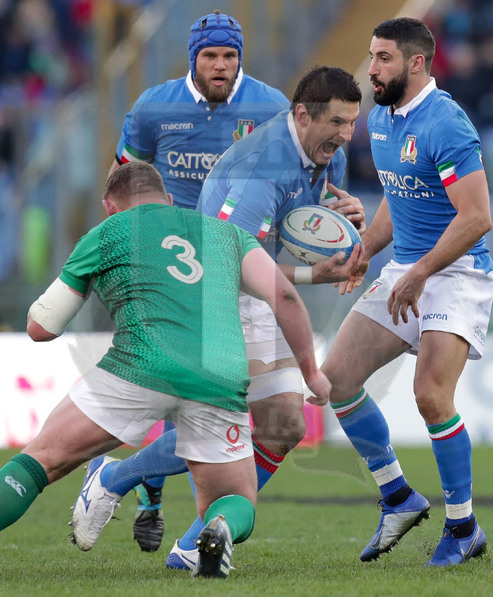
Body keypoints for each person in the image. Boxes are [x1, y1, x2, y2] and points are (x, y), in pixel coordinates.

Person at [0, 161, 331, 581]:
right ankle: (219, 528)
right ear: (168, 200)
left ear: (111, 208)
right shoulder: (226, 234)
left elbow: (42, 328)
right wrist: (311, 373)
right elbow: (286, 299)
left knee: (41, 460)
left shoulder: (107, 233)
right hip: (218, 376)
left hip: (139, 367)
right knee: (236, 497)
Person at [75, 65, 367, 570]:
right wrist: (309, 279)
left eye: (351, 123)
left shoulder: (324, 154)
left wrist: (342, 224)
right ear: (301, 115)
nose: (346, 136)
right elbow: (226, 263)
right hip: (216, 294)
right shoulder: (256, 170)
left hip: (258, 289)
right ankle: (128, 492)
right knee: (224, 425)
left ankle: (180, 530)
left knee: (283, 425)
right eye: (337, 123)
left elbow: (305, 217)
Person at [105, 10, 291, 552]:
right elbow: (124, 184)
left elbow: (304, 179)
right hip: (171, 268)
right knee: (178, 394)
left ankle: (147, 492)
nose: (220, 65)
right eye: (210, 56)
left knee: (211, 401)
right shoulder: (152, 109)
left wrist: (331, 207)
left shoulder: (270, 108)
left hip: (239, 268)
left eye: (229, 56)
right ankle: (153, 496)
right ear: (193, 59)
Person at [323, 17, 493, 567]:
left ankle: (463, 527)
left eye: (383, 59)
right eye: (371, 56)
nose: (371, 68)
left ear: (416, 63)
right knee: (337, 380)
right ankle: (397, 495)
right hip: (406, 267)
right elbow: (399, 197)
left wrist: (420, 271)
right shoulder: (379, 119)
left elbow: (477, 218)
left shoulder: (448, 124)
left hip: (457, 272)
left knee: (430, 396)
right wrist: (366, 250)